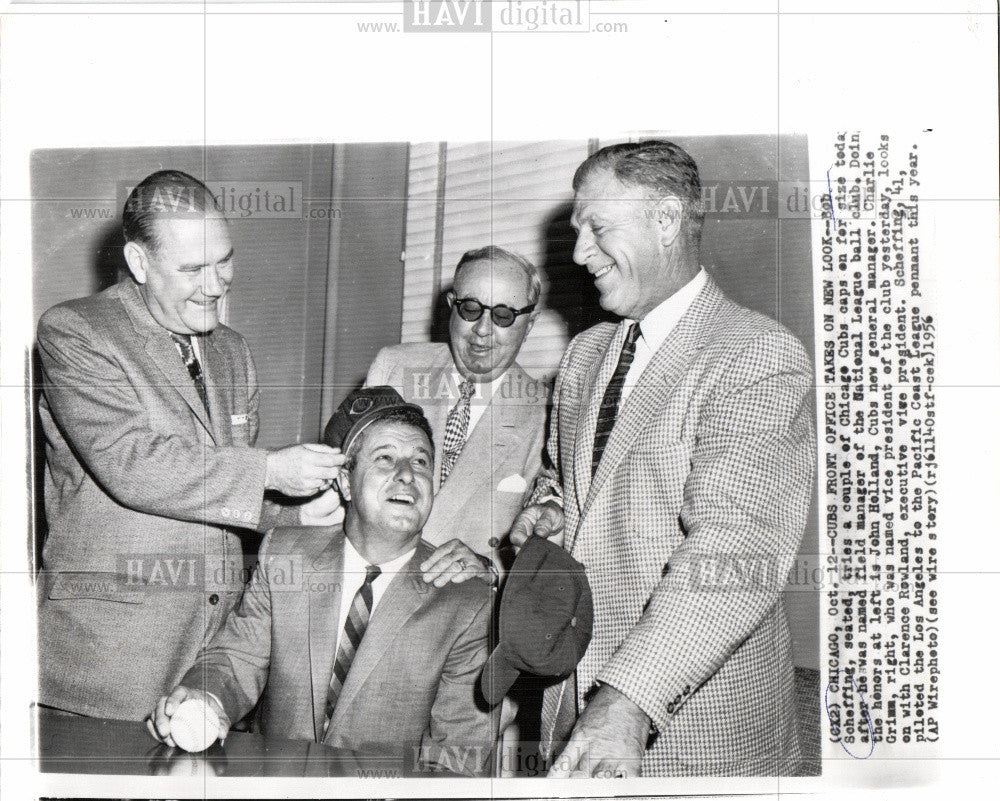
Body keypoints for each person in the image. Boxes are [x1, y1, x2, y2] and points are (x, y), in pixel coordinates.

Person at [511, 141, 815, 777]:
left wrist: (628, 700)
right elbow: (563, 481)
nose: (579, 253)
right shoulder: (585, 355)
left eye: (598, 227)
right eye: (576, 231)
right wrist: (545, 512)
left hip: (691, 727)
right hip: (569, 695)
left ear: (668, 218)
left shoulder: (755, 355)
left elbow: (735, 552)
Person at [36, 170, 344, 721]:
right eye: (193, 269)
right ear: (138, 263)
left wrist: (296, 513)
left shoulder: (232, 350)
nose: (217, 284)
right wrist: (272, 470)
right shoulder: (77, 332)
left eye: (224, 260)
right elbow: (134, 464)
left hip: (215, 660)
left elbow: (222, 488)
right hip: (109, 666)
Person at [147, 387, 497, 776]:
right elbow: (238, 657)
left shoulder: (467, 601)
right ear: (345, 484)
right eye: (385, 458)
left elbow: (456, 758)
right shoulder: (285, 553)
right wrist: (206, 696)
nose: (407, 475)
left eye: (421, 462)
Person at [366, 246, 547, 584]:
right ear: (451, 306)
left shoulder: (546, 416)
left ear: (530, 323)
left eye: (504, 315)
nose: (482, 330)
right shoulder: (394, 369)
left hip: (457, 611)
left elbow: (542, 553)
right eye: (471, 309)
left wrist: (491, 570)